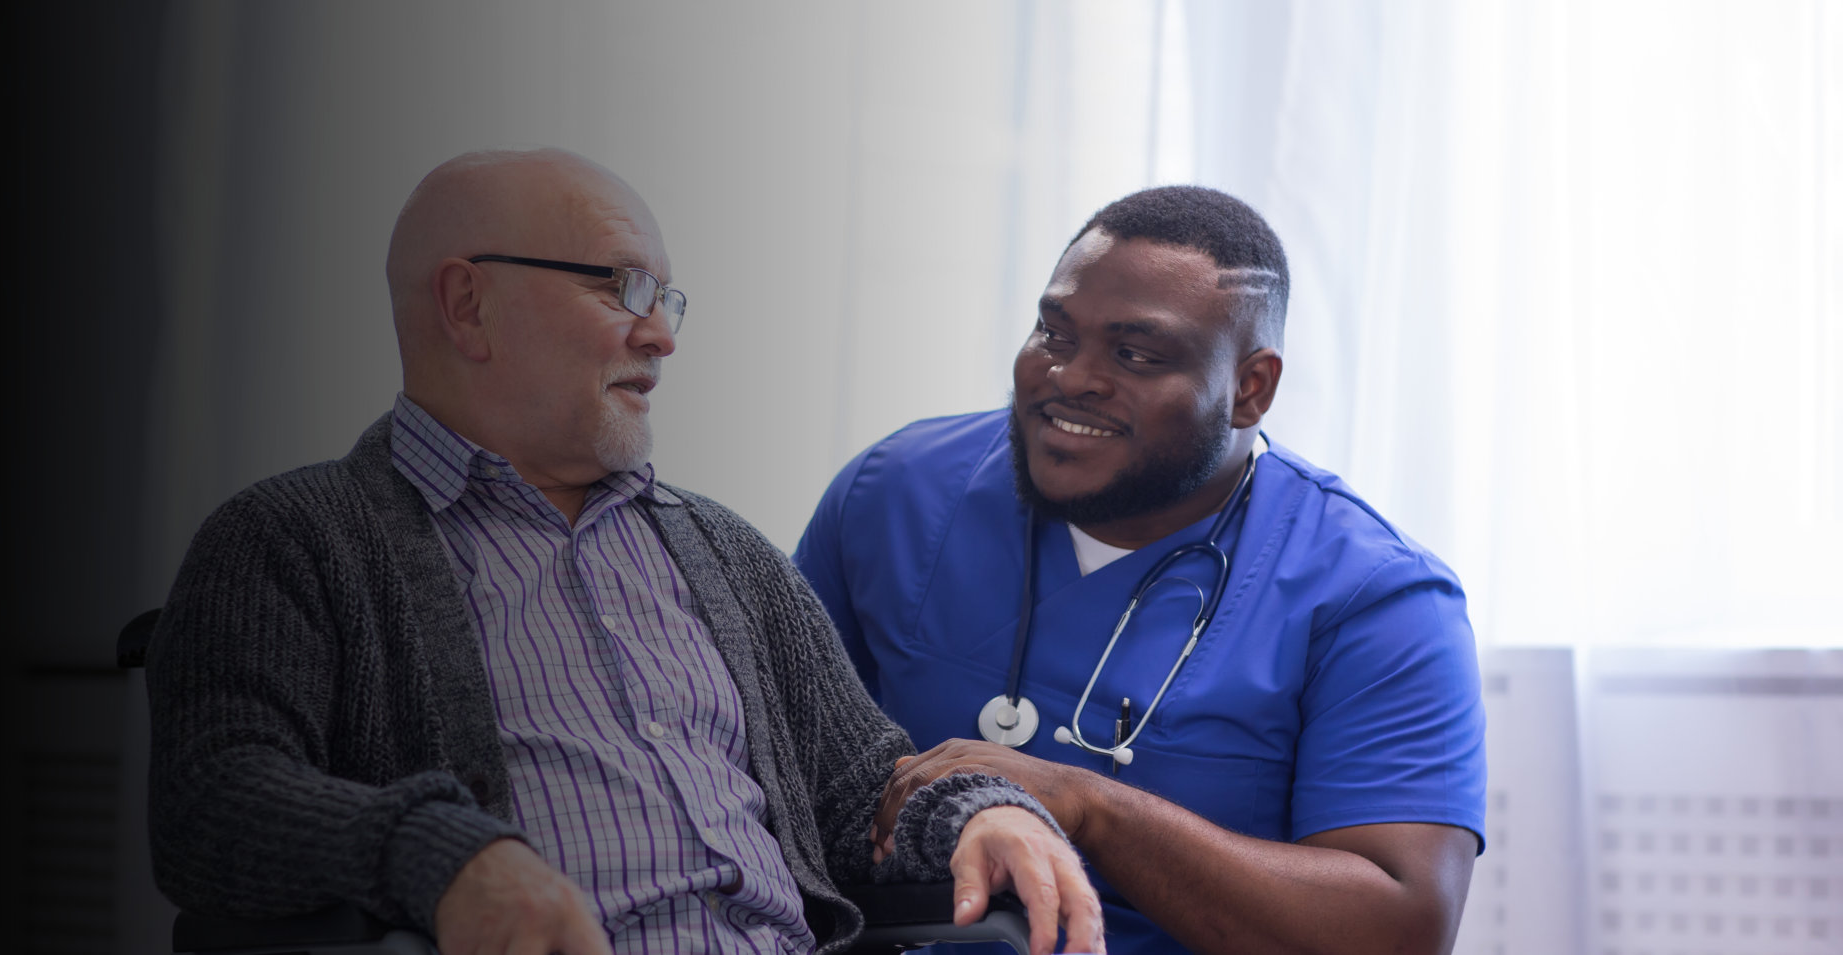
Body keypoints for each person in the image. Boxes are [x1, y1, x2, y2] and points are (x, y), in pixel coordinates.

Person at [145, 148, 1103, 955]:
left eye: (666, 298)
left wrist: (980, 809)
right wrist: (443, 853)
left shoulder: (727, 552)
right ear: (467, 303)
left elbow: (867, 784)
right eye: (622, 286)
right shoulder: (290, 538)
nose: (661, 335)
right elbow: (212, 801)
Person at [794, 185, 1485, 954]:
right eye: (1053, 333)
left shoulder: (1376, 597)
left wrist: (1090, 805)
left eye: (1136, 355)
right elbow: (769, 772)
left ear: (1249, 387)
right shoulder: (893, 493)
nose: (1070, 376)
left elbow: (1400, 925)